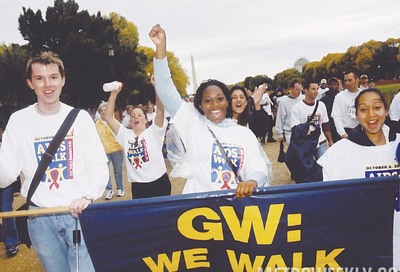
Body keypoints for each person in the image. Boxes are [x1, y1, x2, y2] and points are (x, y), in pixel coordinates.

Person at [0, 51, 109, 271]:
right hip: (40, 218)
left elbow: (98, 165)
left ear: (63, 80)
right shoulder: (19, 121)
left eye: (53, 77)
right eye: (39, 78)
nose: (47, 84)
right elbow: (6, 175)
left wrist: (88, 196)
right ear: (30, 83)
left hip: (78, 213)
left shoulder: (80, 118)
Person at [150, 24, 270, 197]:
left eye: (220, 99)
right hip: (199, 209)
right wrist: (161, 47)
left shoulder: (244, 134)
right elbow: (165, 89)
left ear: (227, 102)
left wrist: (252, 181)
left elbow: (258, 167)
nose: (214, 105)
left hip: (234, 209)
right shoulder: (192, 123)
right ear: (199, 105)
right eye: (208, 101)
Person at [317, 88, 399, 268]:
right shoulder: (339, 152)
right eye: (363, 109)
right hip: (363, 243)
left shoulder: (398, 144)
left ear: (386, 110)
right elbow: (321, 200)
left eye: (377, 107)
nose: (371, 115)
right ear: (356, 115)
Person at [103, 77, 171, 199]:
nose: (136, 118)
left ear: (145, 120)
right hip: (139, 187)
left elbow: (160, 111)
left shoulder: (154, 132)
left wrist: (157, 87)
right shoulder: (124, 135)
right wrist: (114, 94)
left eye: (139, 115)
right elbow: (108, 117)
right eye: (133, 116)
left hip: (159, 183)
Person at [290, 82, 333, 159]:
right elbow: (295, 128)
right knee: (306, 169)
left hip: (320, 142)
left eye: (317, 89)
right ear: (306, 90)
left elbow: (325, 125)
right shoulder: (297, 108)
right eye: (313, 89)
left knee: (322, 166)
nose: (316, 91)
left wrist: (330, 141)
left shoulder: (321, 105)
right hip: (305, 143)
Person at [95, 101, 125, 200]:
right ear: (99, 112)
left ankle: (120, 188)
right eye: (102, 110)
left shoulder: (114, 122)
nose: (103, 112)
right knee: (105, 171)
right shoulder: (96, 124)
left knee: (118, 171)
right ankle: (109, 189)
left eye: (105, 110)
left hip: (116, 149)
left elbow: (121, 135)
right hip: (104, 151)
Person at [331, 70, 361, 139]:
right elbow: (336, 116)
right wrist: (342, 133)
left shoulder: (364, 94)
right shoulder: (339, 96)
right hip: (347, 131)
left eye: (350, 80)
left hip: (363, 130)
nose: (347, 83)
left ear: (357, 80)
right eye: (345, 81)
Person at [275, 79, 304, 144]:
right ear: (291, 89)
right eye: (297, 90)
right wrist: (280, 133)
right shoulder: (284, 101)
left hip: (303, 131)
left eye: (300, 90)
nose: (299, 92)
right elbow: (280, 117)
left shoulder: (303, 99)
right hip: (289, 132)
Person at [320, 77, 341, 143]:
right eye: (330, 84)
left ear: (338, 85)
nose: (332, 86)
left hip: (342, 126)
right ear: (328, 86)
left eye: (334, 84)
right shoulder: (324, 100)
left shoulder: (341, 97)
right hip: (331, 128)